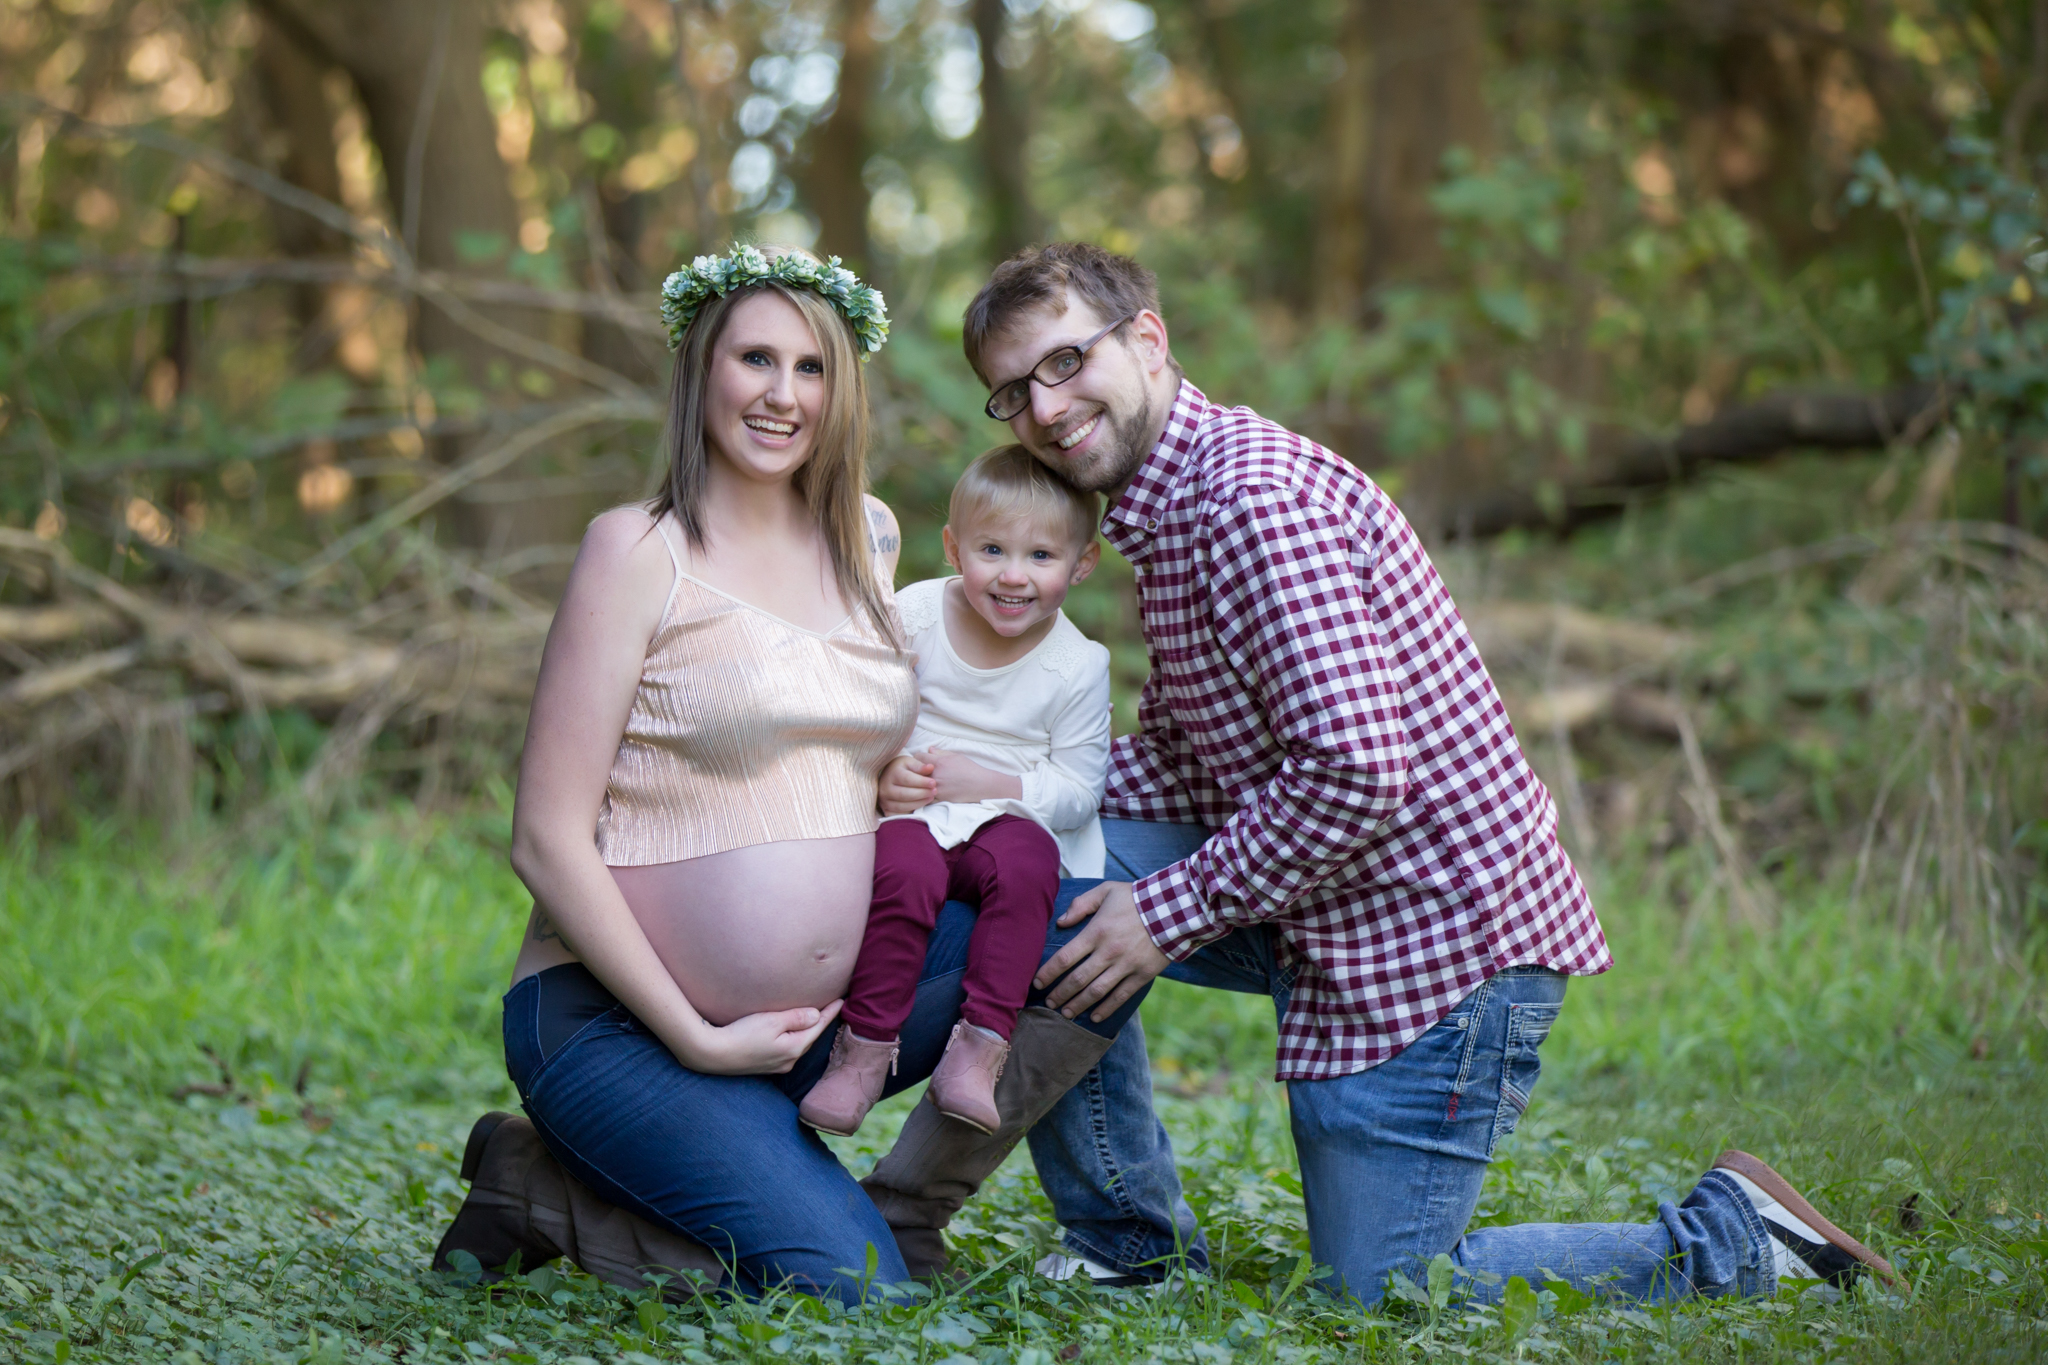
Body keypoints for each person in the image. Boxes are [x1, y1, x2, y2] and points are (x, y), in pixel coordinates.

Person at [863, 241, 1905, 1306]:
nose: (1042, 407)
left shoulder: (1252, 507)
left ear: (1146, 339)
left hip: (1430, 947)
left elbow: (1358, 773)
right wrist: (990, 782)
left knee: (1386, 1293)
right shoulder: (1164, 512)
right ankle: (1122, 1242)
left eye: (1062, 362)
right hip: (1322, 896)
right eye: (1011, 392)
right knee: (1042, 867)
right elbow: (1181, 769)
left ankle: (1732, 1238)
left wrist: (1164, 913)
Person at [429, 247, 1149, 1303]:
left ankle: (880, 1200)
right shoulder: (635, 551)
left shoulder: (866, 540)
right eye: (753, 359)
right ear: (698, 372)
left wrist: (907, 784)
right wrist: (699, 1038)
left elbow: (843, 737)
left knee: (1085, 925)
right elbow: (544, 837)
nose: (781, 394)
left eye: (810, 367)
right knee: (848, 1294)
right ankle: (537, 1185)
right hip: (626, 1029)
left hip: (835, 1018)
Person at [801, 446, 1112, 1138]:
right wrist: (886, 770)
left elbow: (1078, 791)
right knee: (901, 870)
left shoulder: (1077, 664)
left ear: (1082, 563)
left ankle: (978, 1049)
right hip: (917, 812)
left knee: (1027, 862)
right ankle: (863, 1051)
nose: (1012, 575)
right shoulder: (913, 613)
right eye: (992, 549)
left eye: (1041, 556)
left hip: (1008, 816)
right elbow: (864, 708)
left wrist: (992, 781)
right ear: (952, 546)